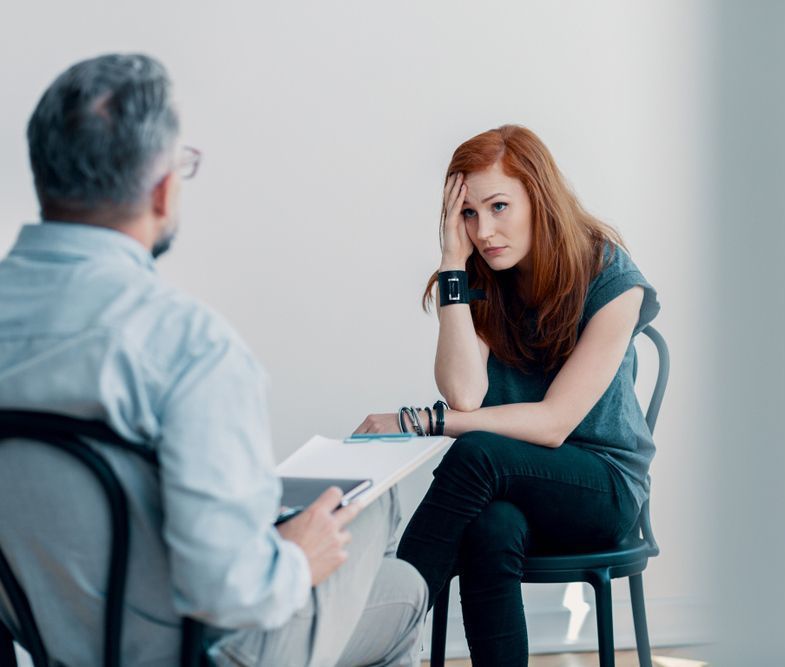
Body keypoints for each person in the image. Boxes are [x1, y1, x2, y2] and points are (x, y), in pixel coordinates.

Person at [0, 53, 427, 667]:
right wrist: (293, 557)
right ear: (164, 188)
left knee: (401, 591)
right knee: (370, 503)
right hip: (201, 650)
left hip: (64, 644)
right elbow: (230, 592)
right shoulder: (186, 344)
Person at [354, 125, 661, 666]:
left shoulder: (610, 275)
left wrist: (423, 420)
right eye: (468, 214)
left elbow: (554, 423)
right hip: (514, 487)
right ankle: (380, 630)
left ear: (538, 198)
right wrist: (452, 264)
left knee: (475, 453)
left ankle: (374, 630)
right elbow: (466, 395)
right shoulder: (481, 276)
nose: (485, 230)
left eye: (498, 206)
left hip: (603, 487)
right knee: (490, 526)